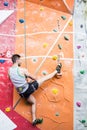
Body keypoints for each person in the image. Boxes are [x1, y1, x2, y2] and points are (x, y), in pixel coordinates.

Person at [8, 54, 62, 126]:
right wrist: (37, 79)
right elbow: (35, 78)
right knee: (44, 79)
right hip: (27, 89)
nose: (21, 62)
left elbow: (12, 79)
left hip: (21, 93)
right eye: (20, 60)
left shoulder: (9, 70)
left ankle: (34, 119)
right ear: (17, 60)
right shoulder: (22, 70)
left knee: (33, 102)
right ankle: (57, 71)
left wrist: (25, 80)